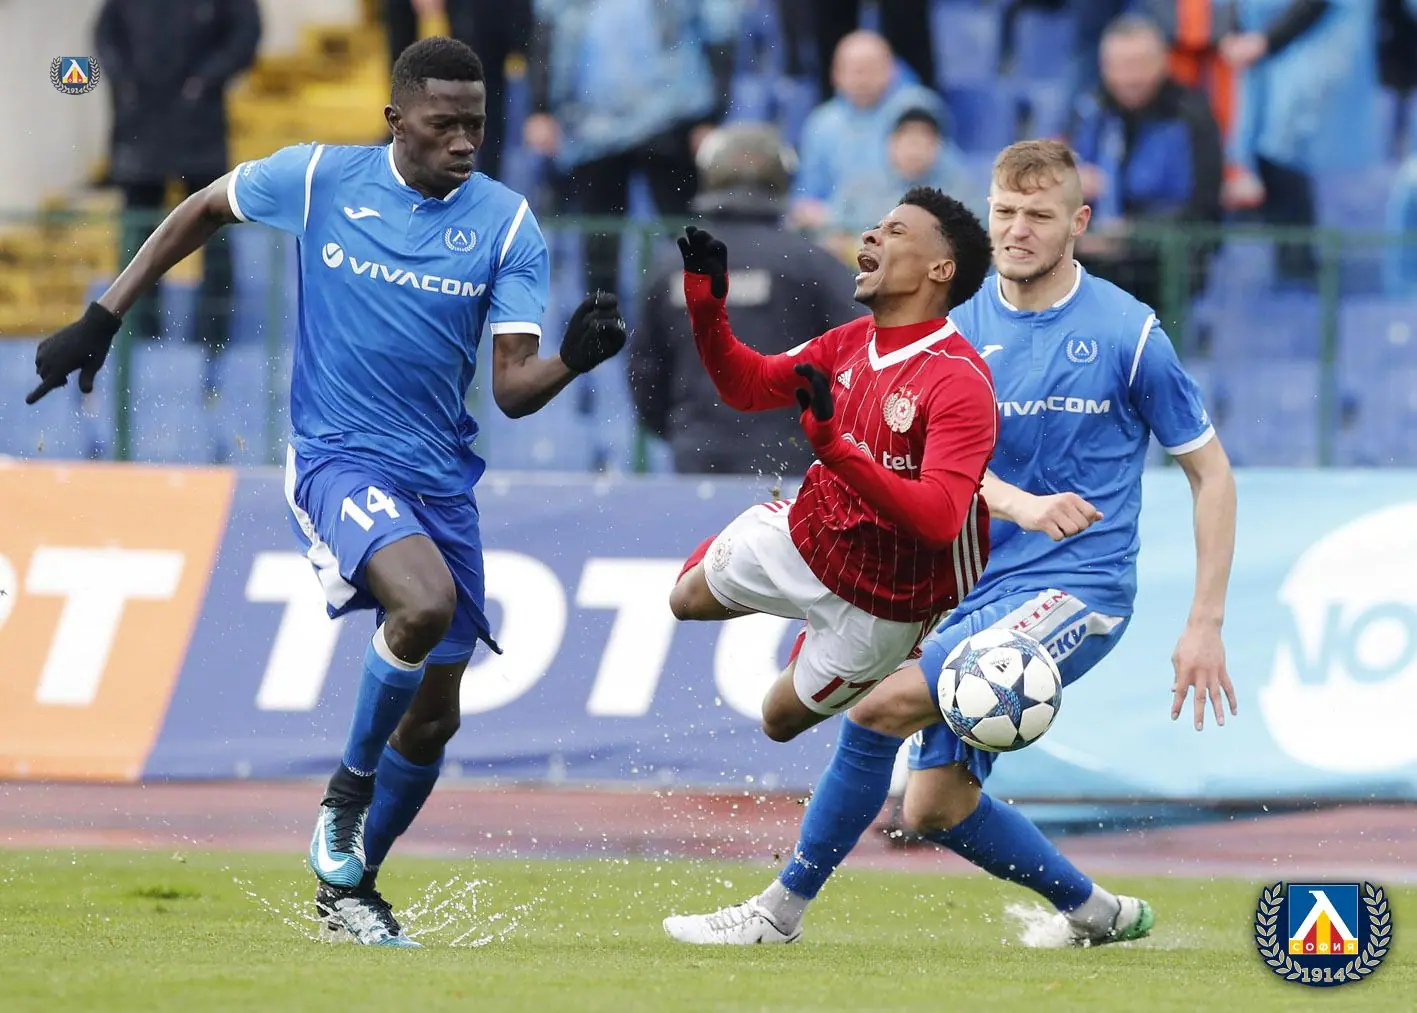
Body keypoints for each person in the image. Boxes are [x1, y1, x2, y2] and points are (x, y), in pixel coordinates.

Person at [25, 37, 627, 947]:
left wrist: (572, 361)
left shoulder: (507, 224)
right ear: (395, 120)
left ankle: (349, 889)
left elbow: (511, 387)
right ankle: (345, 796)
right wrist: (104, 316)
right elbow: (202, 206)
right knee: (421, 605)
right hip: (337, 456)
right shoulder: (318, 177)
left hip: (440, 478)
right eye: (443, 124)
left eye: (475, 124)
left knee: (436, 715)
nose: (464, 141)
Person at [663, 139, 1238, 947]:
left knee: (879, 708)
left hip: (1076, 586)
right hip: (969, 586)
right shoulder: (950, 331)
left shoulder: (1127, 333)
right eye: (1005, 211)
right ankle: (1096, 913)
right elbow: (953, 473)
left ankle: (775, 912)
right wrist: (1015, 501)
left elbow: (1210, 473)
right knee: (935, 806)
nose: (1018, 229)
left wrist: (1203, 622)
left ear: (1077, 222)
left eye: (1039, 215)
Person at [668, 186, 997, 746]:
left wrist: (837, 450)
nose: (871, 234)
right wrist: (707, 308)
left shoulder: (959, 381)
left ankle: (828, 636)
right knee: (684, 601)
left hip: (889, 603)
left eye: (895, 231)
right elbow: (746, 387)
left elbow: (942, 520)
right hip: (811, 535)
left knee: (777, 721)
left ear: (940, 269)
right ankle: (772, 535)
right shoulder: (849, 341)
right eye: (877, 226)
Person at [630, 122, 860, 477]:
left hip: (697, 458)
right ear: (781, 179)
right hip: (792, 465)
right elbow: (862, 357)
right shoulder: (814, 264)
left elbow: (645, 376)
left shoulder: (669, 265)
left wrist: (686, 432)